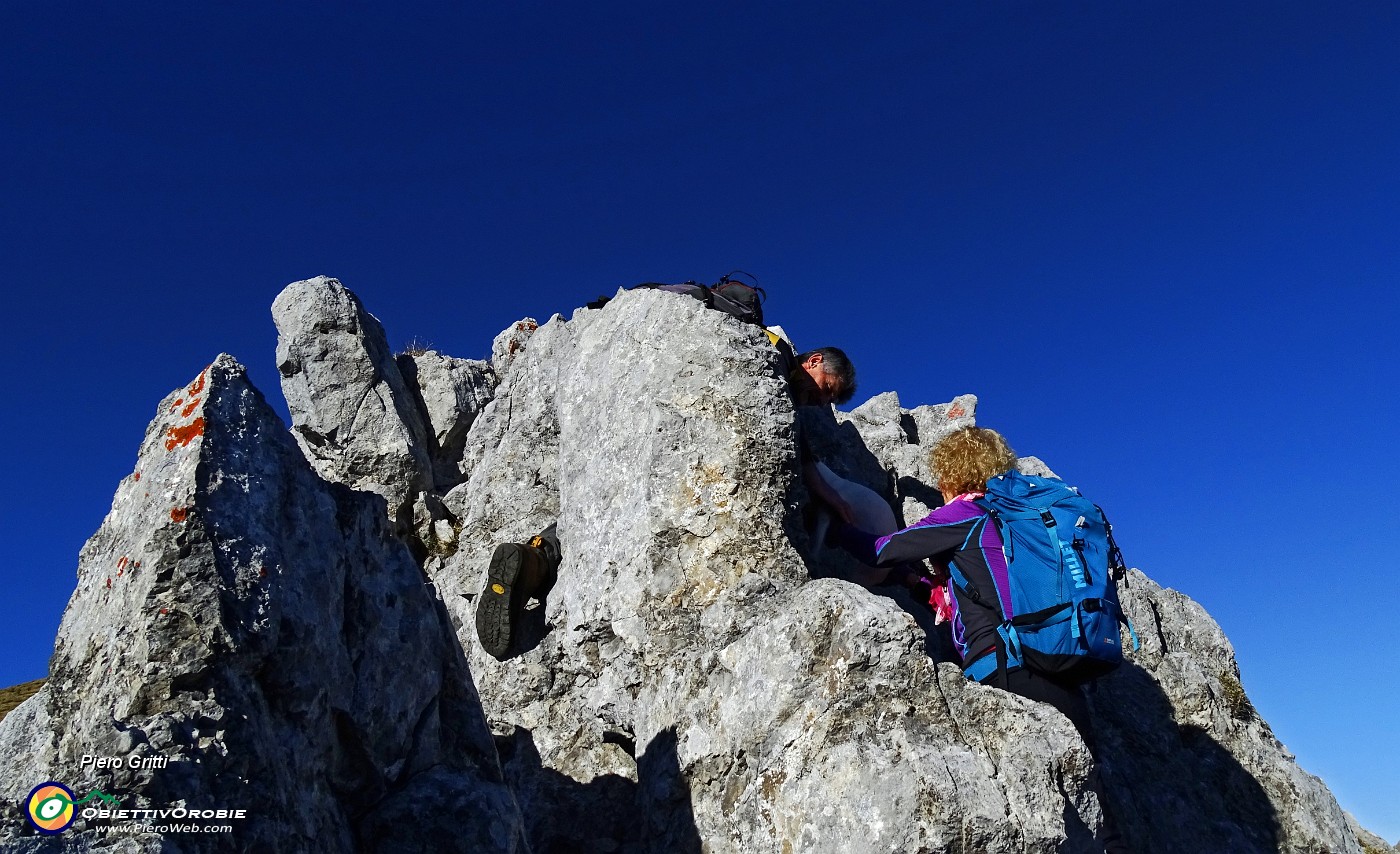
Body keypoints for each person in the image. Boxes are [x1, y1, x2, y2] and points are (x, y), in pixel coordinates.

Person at [827, 425, 1127, 852]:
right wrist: (916, 583)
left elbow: (882, 549)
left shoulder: (963, 514)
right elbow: (975, 590)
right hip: (1059, 670)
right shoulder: (1010, 519)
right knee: (1099, 822)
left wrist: (831, 525)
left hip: (1003, 668)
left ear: (950, 473)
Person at [474, 341, 859, 661]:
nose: (820, 401)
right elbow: (804, 462)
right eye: (825, 388)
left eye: (829, 399)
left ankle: (534, 559)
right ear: (814, 361)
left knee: (592, 515)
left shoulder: (780, 384)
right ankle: (538, 564)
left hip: (642, 429)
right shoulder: (768, 359)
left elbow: (804, 460)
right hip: (680, 454)